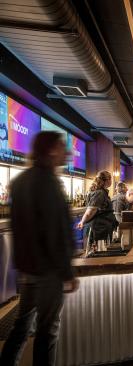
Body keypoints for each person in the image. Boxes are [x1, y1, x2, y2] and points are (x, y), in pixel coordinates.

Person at [1, 131, 79, 366]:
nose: (67, 153)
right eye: (62, 147)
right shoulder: (49, 183)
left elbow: (21, 227)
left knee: (21, 327)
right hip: (49, 272)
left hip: (28, 270)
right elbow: (54, 232)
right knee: (47, 331)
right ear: (51, 150)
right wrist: (66, 272)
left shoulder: (20, 182)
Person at [78, 171, 116, 246]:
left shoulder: (102, 192)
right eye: (110, 179)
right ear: (106, 180)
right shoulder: (99, 193)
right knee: (96, 254)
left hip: (102, 228)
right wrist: (82, 222)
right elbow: (90, 211)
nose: (111, 181)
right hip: (98, 229)